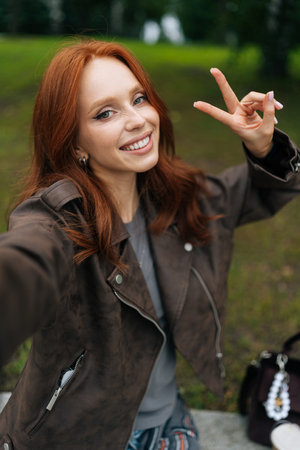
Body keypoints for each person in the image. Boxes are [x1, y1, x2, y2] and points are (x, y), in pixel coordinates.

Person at [0, 39, 299, 450]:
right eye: (105, 112)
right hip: (75, 438)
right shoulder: (56, 223)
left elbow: (263, 190)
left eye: (139, 99)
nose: (138, 120)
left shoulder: (180, 199)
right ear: (74, 144)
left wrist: (262, 146)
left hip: (167, 427)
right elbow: (23, 265)